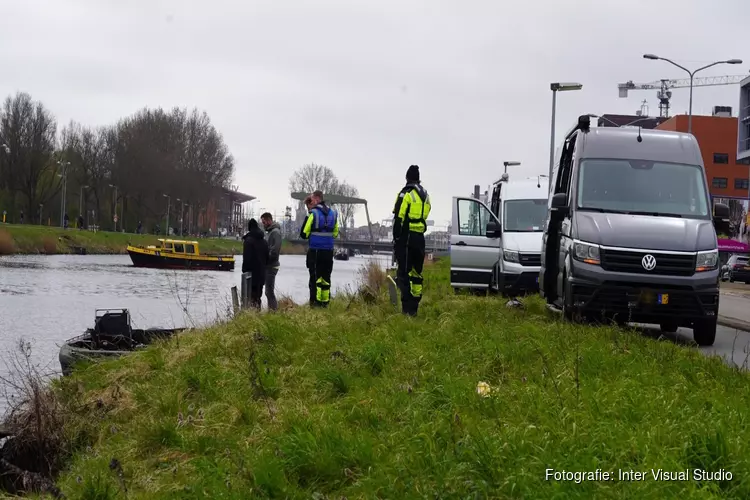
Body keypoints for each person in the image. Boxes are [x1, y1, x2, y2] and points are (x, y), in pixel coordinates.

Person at [392, 164, 431, 316]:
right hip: (420, 238)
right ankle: (415, 306)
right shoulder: (425, 195)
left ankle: (406, 309)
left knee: (404, 273)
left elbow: (399, 218)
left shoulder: (406, 194)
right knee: (416, 273)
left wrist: (396, 238)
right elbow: (426, 213)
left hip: (406, 239)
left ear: (407, 178)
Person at [300, 190, 339, 307]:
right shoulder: (333, 214)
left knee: (315, 277)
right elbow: (335, 233)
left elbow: (304, 234)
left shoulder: (313, 214)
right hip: (329, 251)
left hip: (315, 251)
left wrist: (309, 216)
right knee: (326, 278)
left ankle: (314, 304)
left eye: (312, 199)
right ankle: (324, 302)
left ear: (316, 199)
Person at [241, 218, 269, 310]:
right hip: (261, 275)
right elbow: (267, 259)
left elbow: (247, 258)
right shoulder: (264, 242)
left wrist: (244, 271)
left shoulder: (248, 241)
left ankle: (251, 317)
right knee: (258, 297)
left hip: (250, 276)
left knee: (249, 298)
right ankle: (258, 315)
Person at [261, 212, 282, 311]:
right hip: (268, 265)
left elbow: (275, 250)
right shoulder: (269, 232)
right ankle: (272, 311)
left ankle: (273, 312)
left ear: (269, 220)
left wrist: (266, 258)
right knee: (268, 291)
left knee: (269, 291)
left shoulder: (275, 232)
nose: (263, 224)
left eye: (264, 222)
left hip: (272, 265)